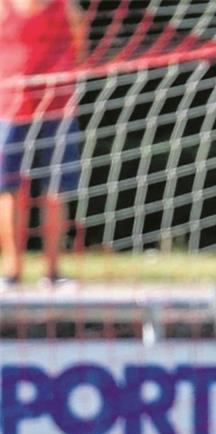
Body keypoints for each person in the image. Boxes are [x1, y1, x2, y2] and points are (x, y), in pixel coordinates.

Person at [0, 0, 86, 288]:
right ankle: (12, 270)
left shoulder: (65, 7)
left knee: (56, 188)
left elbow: (79, 41)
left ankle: (52, 272)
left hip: (57, 104)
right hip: (10, 105)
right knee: (8, 188)